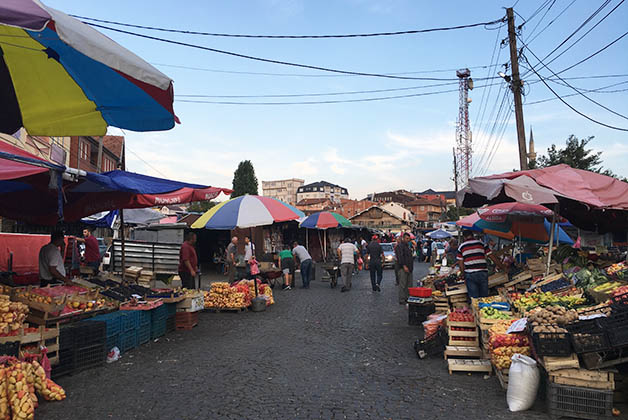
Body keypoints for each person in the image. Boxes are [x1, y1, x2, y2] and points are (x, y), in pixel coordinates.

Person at [457, 230, 500, 298]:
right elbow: (492, 257)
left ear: (464, 237)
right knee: (484, 297)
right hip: (482, 273)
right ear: (473, 235)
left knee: (474, 298)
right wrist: (502, 266)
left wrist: (463, 274)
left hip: (470, 274)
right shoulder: (481, 244)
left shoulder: (461, 247)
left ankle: (475, 307)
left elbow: (461, 265)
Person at [396, 232, 414, 305]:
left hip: (409, 268)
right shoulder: (399, 246)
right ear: (403, 238)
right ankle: (402, 299)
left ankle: (407, 297)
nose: (408, 240)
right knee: (403, 284)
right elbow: (400, 257)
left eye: (409, 239)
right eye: (406, 238)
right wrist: (404, 266)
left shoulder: (408, 246)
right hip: (403, 268)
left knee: (409, 284)